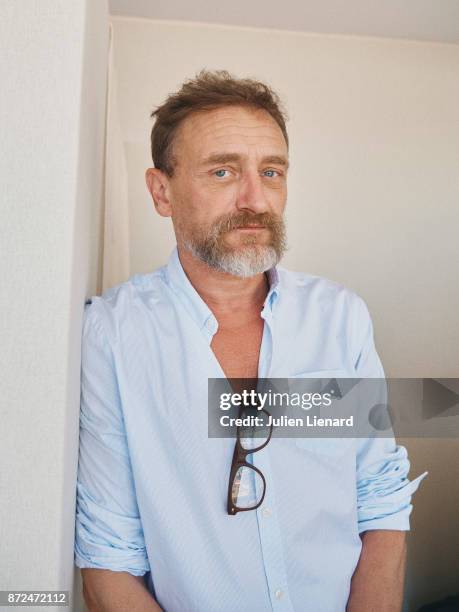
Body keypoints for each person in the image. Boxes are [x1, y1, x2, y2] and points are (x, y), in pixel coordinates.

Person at [74, 70, 427, 611]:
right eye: (222, 171)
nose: (255, 199)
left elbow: (378, 500)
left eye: (272, 171)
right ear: (161, 191)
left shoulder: (338, 318)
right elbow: (108, 558)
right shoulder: (112, 336)